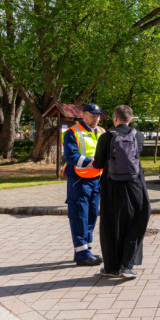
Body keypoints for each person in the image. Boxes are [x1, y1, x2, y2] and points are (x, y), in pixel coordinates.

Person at [92, 105, 151, 279]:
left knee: (110, 224)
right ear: (130, 119)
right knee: (135, 221)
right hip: (135, 185)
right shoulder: (138, 136)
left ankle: (111, 267)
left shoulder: (105, 137)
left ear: (115, 118)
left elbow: (98, 163)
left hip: (111, 186)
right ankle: (127, 266)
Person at [63, 104, 106, 266]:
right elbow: (70, 156)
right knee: (79, 216)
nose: (96, 119)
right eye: (93, 115)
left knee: (91, 216)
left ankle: (86, 250)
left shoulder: (101, 132)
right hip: (79, 180)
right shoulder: (73, 132)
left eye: (98, 116)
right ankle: (82, 255)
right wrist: (91, 162)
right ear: (84, 115)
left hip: (96, 179)